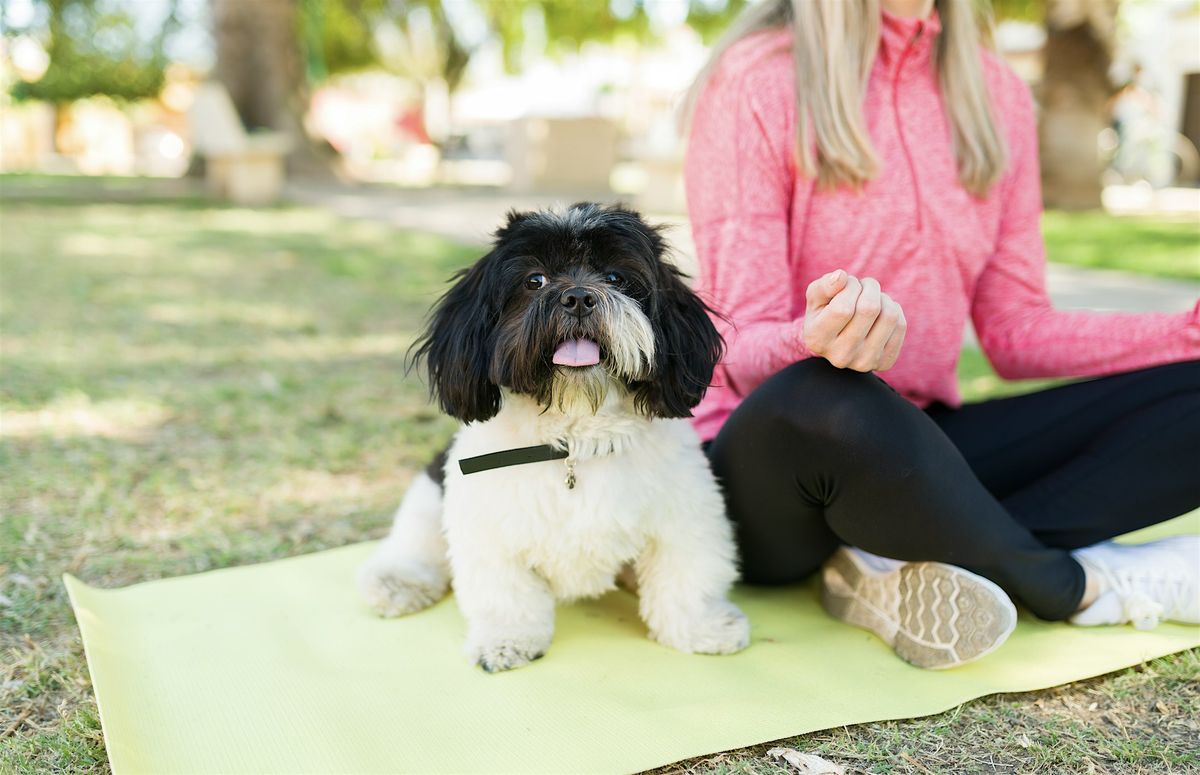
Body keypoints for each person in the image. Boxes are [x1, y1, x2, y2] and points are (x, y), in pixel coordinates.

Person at [685, 0, 1200, 669]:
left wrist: (1186, 331)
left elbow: (1014, 332)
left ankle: (898, 557)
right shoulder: (758, 79)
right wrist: (816, 339)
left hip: (917, 446)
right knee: (826, 394)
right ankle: (1074, 584)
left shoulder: (997, 94)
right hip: (775, 472)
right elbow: (737, 349)